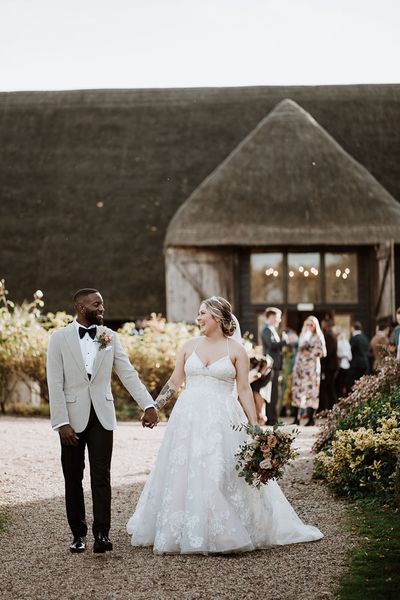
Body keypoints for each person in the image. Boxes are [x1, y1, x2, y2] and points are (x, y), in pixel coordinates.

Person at [126, 296, 323, 554]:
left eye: (202, 314)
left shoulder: (236, 350)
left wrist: (255, 428)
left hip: (223, 419)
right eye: (198, 314)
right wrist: (154, 407)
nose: (198, 319)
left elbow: (243, 389)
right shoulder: (188, 346)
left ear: (218, 317)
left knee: (219, 470)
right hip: (188, 417)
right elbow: (174, 382)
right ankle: (185, 528)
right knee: (184, 469)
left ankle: (223, 531)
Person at [46, 288, 158, 554]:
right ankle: (77, 535)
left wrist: (148, 404)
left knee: (101, 477)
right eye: (97, 304)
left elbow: (127, 373)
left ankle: (102, 534)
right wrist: (61, 422)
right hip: (71, 419)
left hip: (102, 417)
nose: (102, 308)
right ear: (82, 308)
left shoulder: (109, 337)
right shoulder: (58, 338)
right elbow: (55, 382)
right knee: (73, 477)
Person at [291, 316, 327, 426]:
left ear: (315, 326)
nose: (309, 327)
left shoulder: (318, 337)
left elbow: (322, 352)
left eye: (311, 325)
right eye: (307, 324)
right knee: (297, 392)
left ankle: (311, 418)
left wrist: (310, 354)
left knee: (311, 392)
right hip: (300, 368)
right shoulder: (302, 335)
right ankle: (296, 418)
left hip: (311, 369)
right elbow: (298, 351)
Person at [260, 307, 288, 425]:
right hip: (271, 366)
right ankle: (271, 419)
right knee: (272, 393)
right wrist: (284, 341)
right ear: (271, 317)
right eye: (278, 317)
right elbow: (271, 345)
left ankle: (273, 418)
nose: (279, 320)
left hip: (275, 366)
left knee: (274, 393)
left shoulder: (271, 329)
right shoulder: (266, 330)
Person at [318, 318, 338, 412]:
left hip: (329, 366)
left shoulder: (328, 336)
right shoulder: (331, 335)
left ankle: (330, 408)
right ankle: (330, 408)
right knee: (329, 387)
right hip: (330, 366)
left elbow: (328, 352)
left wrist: (322, 362)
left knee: (328, 387)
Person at [348, 321, 370, 390]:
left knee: (354, 384)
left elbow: (349, 351)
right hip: (365, 364)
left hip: (356, 365)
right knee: (362, 385)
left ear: (353, 328)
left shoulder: (354, 338)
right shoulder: (365, 338)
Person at [335, 329, 352, 399]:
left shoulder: (339, 343)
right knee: (345, 383)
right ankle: (345, 398)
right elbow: (350, 357)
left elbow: (338, 354)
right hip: (347, 365)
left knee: (339, 384)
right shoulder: (347, 343)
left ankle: (340, 398)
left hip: (341, 365)